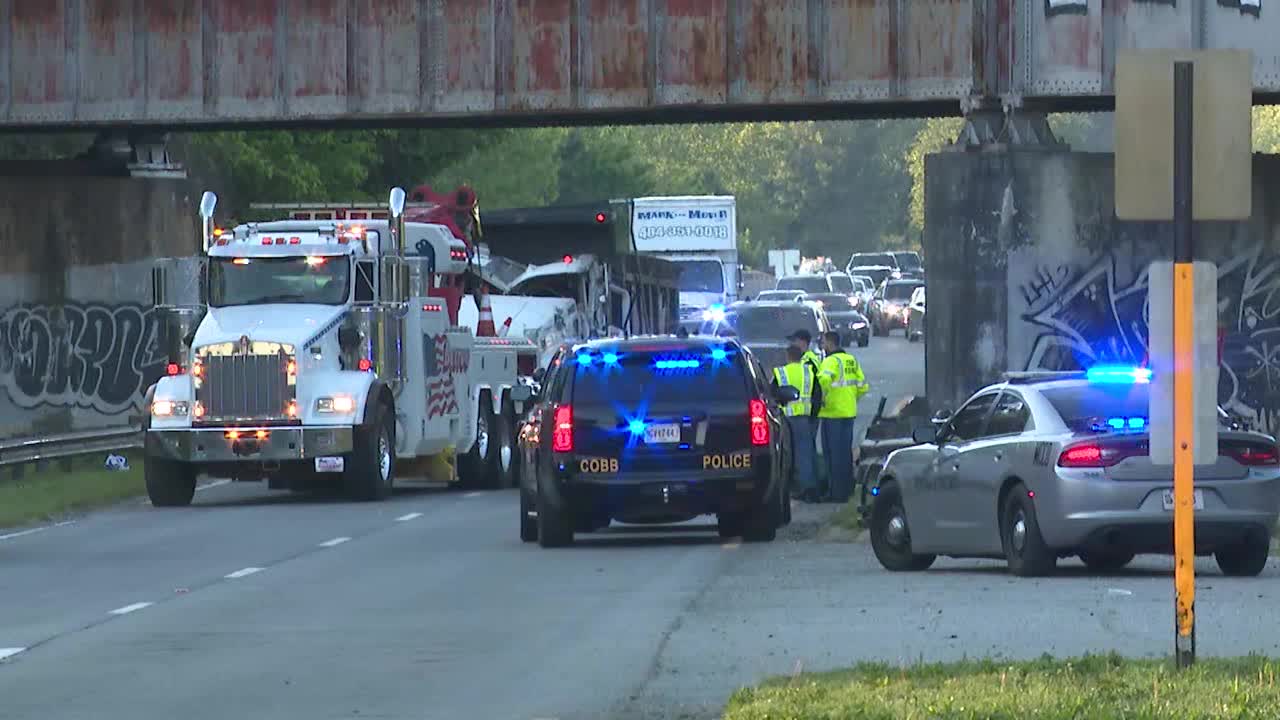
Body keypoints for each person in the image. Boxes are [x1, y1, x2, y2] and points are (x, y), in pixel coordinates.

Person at [816, 331, 869, 503]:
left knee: (833, 455)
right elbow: (863, 386)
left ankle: (836, 493)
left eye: (823, 342)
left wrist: (821, 397)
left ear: (830, 343)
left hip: (833, 413)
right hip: (848, 411)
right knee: (845, 453)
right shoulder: (850, 360)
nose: (822, 345)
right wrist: (851, 398)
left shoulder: (830, 361)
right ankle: (847, 489)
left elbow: (823, 380)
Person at [771, 345, 818, 502]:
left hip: (786, 418)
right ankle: (810, 488)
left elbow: (773, 395)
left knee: (789, 455)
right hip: (804, 417)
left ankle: (796, 487)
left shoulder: (781, 373)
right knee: (806, 452)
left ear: (788, 356)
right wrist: (813, 415)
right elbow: (817, 394)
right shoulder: (809, 372)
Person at [787, 329, 824, 497]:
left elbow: (815, 390)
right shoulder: (809, 360)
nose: (792, 345)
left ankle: (808, 487)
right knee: (807, 451)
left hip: (806, 414)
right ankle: (812, 486)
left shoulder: (808, 362)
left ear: (802, 342)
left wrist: (812, 414)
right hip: (807, 413)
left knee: (805, 452)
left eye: (794, 341)